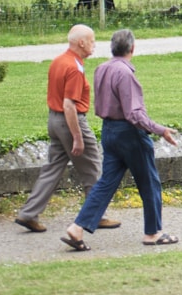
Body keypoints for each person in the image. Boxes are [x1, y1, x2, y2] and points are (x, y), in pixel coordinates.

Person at [61, 30, 178, 251]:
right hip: (129, 133)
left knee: (105, 183)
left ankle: (77, 228)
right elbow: (134, 114)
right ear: (132, 49)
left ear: (113, 48)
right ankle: (153, 232)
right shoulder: (125, 74)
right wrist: (160, 130)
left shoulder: (101, 69)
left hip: (109, 131)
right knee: (149, 182)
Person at [15, 24, 120, 233]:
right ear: (81, 43)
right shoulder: (74, 67)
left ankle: (28, 213)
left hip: (54, 121)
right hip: (70, 121)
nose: (94, 45)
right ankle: (95, 215)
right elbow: (69, 105)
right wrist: (78, 137)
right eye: (91, 40)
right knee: (93, 167)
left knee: (52, 169)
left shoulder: (58, 61)